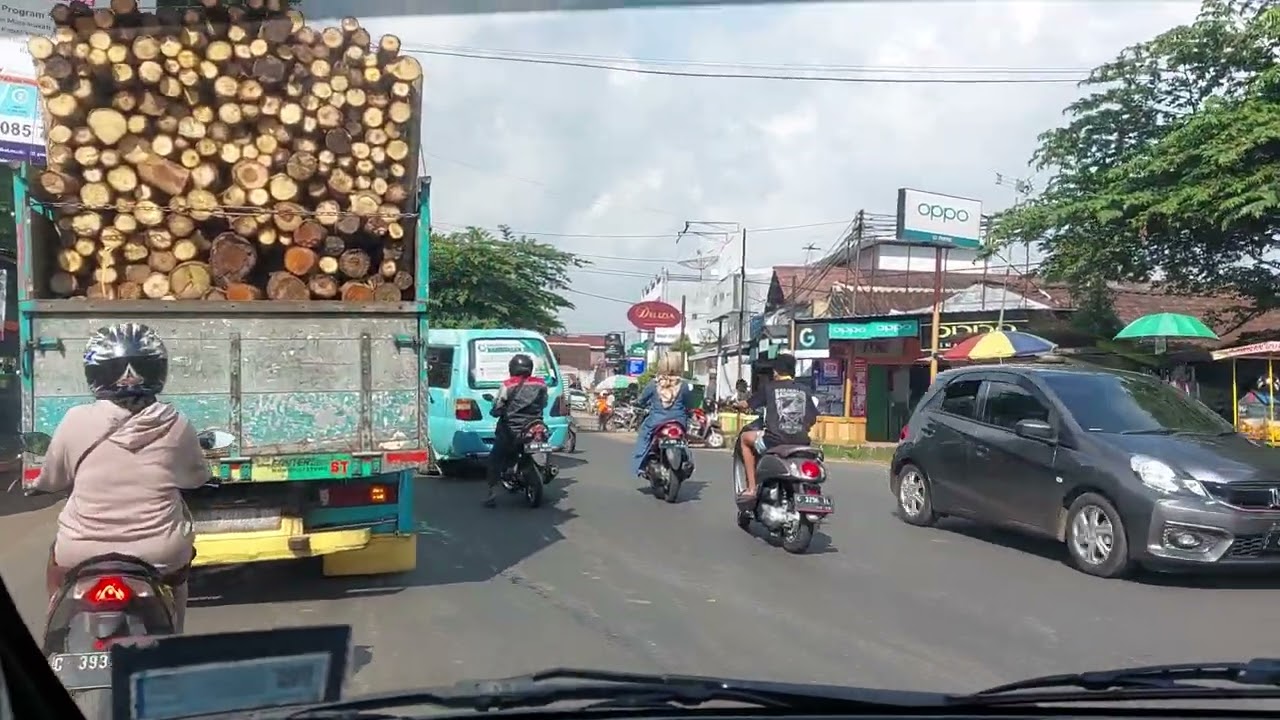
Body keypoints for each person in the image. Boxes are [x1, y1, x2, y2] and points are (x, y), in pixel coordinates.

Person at [32, 322, 211, 633]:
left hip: (81, 550)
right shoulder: (177, 424)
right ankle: (174, 639)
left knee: (55, 563)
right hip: (158, 553)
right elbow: (195, 479)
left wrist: (40, 486)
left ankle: (55, 629)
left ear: (95, 372)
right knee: (179, 579)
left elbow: (53, 479)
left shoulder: (75, 421)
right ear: (158, 369)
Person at [738, 353, 818, 500]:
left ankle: (751, 489)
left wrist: (738, 405)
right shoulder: (804, 390)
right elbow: (812, 418)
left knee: (744, 439)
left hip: (774, 441)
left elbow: (747, 404)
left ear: (776, 371)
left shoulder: (769, 388)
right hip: (801, 442)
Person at [484, 353, 548, 507]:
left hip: (511, 430)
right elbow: (543, 403)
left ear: (512, 368)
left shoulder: (507, 385)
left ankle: (491, 494)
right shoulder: (541, 384)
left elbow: (498, 406)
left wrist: (495, 412)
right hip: (535, 426)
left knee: (494, 460)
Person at [630, 352, 694, 479]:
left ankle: (640, 466)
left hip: (656, 421)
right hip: (678, 421)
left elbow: (642, 400)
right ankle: (688, 462)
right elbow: (689, 403)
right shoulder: (684, 385)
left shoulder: (653, 384)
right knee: (684, 441)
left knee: (644, 436)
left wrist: (637, 403)